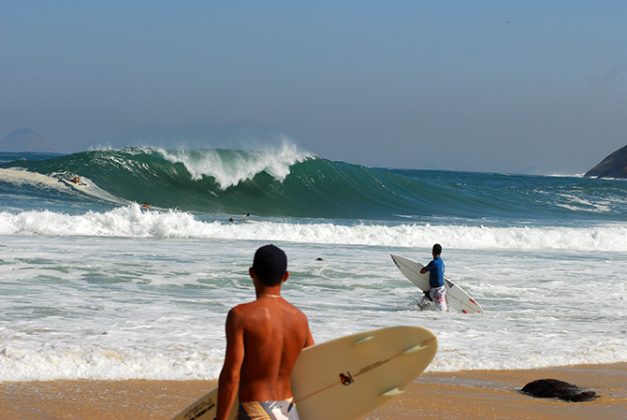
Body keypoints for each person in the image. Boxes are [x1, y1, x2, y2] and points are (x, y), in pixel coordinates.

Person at [216, 244, 314, 420]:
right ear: (286, 276)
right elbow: (312, 366)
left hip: (255, 410)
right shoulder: (300, 318)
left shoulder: (241, 315)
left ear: (252, 273)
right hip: (290, 411)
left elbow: (231, 375)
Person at [419, 243, 447, 312]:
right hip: (433, 290)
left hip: (438, 292)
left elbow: (422, 271)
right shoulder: (441, 262)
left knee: (442, 311)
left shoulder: (434, 263)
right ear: (440, 252)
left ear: (433, 252)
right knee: (421, 305)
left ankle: (444, 321)